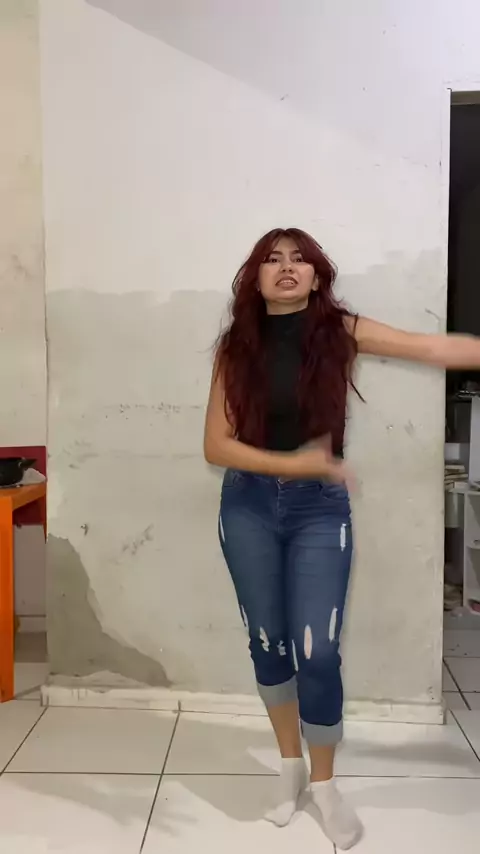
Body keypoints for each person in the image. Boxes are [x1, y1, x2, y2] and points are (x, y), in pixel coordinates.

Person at [203, 227, 480, 849]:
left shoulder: (339, 330)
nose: (286, 267)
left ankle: (325, 785)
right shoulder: (235, 346)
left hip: (320, 512)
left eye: (299, 259)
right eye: (272, 259)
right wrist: (292, 463)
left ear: (317, 276)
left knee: (318, 651)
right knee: (267, 641)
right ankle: (290, 769)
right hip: (246, 506)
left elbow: (430, 347)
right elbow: (215, 446)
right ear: (255, 278)